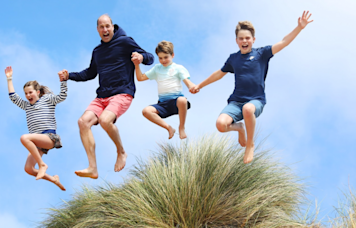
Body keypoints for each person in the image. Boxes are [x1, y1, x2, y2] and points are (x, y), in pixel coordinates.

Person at [190, 11, 313, 164]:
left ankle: (250, 144)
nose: (244, 40)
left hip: (256, 101)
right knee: (221, 125)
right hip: (236, 102)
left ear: (253, 40)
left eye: (247, 38)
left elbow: (283, 42)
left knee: (248, 109)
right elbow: (219, 74)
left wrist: (299, 28)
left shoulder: (262, 53)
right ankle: (240, 128)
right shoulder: (233, 58)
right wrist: (199, 85)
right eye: (241, 38)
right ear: (236, 41)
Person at [58, 14, 154, 179]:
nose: (105, 30)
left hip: (122, 92)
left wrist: (141, 57)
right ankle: (93, 168)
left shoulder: (125, 42)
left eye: (107, 26)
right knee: (83, 122)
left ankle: (121, 152)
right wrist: (69, 76)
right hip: (102, 96)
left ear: (112, 26)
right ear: (97, 30)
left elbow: (150, 58)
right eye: (101, 27)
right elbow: (90, 73)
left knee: (105, 120)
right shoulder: (98, 51)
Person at [5, 66, 67, 191]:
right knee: (28, 169)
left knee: (24, 138)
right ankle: (53, 179)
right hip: (38, 142)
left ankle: (42, 165)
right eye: (26, 93)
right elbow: (13, 97)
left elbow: (62, 97)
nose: (28, 95)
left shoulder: (47, 99)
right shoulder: (26, 106)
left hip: (49, 137)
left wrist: (63, 82)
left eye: (30, 92)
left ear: (38, 92)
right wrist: (9, 79)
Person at [133, 40, 195, 139]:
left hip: (176, 102)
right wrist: (137, 65)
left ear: (172, 55)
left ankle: (181, 127)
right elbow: (140, 78)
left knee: (182, 100)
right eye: (160, 58)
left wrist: (192, 87)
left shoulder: (178, 68)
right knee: (146, 111)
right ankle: (169, 128)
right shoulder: (157, 68)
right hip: (163, 104)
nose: (163, 60)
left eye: (166, 57)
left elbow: (187, 82)